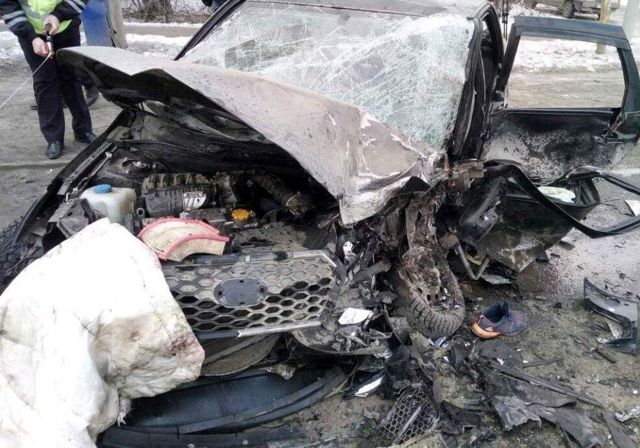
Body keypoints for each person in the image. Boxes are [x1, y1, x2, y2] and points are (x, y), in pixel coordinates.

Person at [0, 0, 96, 159]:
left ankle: (83, 130)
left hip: (65, 26)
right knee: (44, 83)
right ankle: (54, 138)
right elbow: (8, 6)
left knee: (72, 78)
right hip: (32, 33)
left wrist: (59, 15)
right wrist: (31, 37)